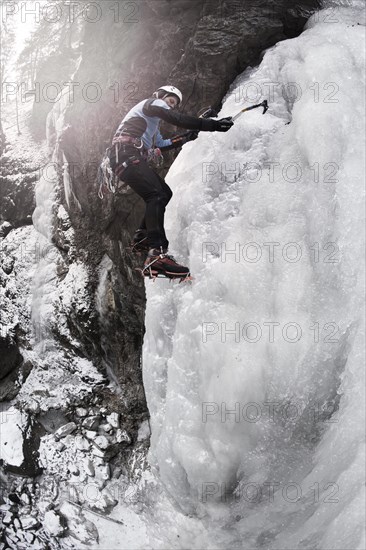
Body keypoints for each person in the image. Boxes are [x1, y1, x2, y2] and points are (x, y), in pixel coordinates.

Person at [108, 85, 233, 279]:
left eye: (173, 103)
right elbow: (177, 119)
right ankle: (157, 255)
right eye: (170, 100)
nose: (170, 105)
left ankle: (143, 236)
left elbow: (164, 144)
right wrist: (210, 124)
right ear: (160, 96)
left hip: (126, 157)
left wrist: (187, 137)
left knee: (164, 193)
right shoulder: (151, 104)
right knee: (156, 195)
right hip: (126, 153)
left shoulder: (152, 125)